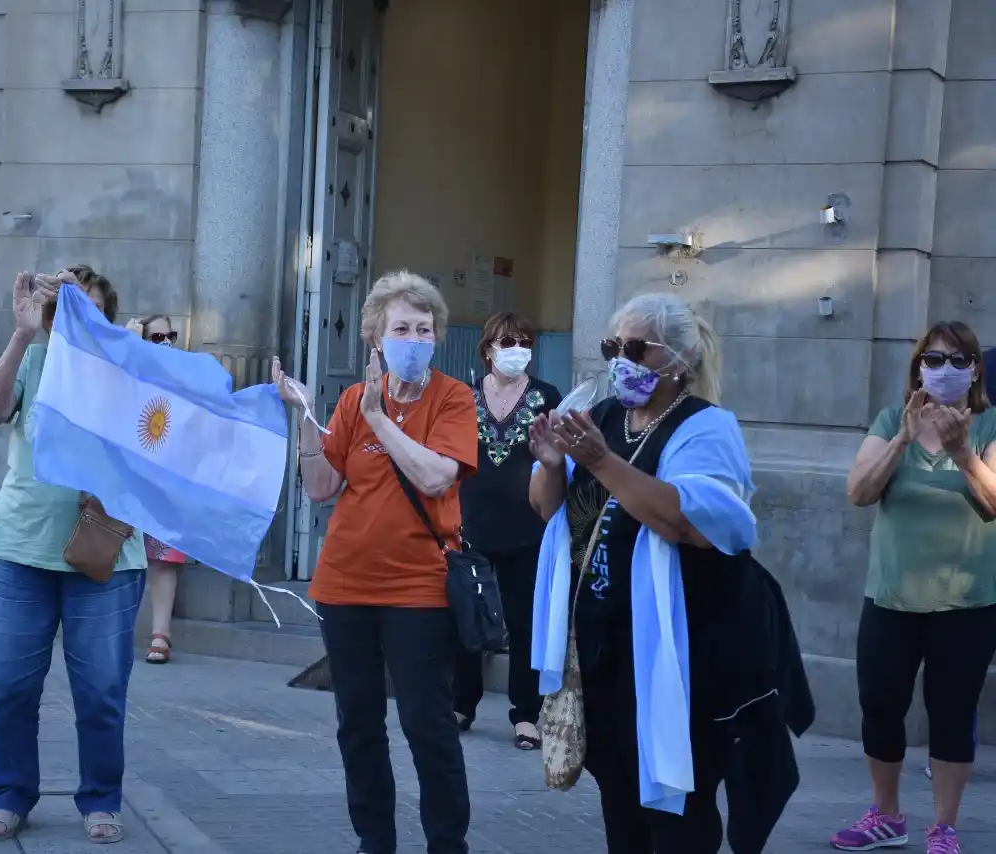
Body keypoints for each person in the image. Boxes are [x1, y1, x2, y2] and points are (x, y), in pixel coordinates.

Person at [529, 292, 809, 853]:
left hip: (677, 658)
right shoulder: (604, 415)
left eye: (635, 347)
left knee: (678, 810)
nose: (620, 360)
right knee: (620, 796)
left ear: (678, 360)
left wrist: (601, 461)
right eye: (614, 346)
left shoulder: (705, 426)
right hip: (605, 651)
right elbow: (549, 510)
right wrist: (554, 466)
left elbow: (691, 523)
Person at [272, 270, 477, 854]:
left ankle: (446, 844)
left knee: (427, 725)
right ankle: (374, 842)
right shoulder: (351, 401)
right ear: (376, 340)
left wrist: (382, 417)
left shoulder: (453, 397)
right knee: (357, 725)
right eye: (401, 328)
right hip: (345, 585)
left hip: (419, 589)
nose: (414, 337)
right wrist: (307, 417)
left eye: (424, 327)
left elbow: (438, 476)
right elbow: (319, 485)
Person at [0, 266, 146, 845]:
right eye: (63, 309)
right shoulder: (33, 358)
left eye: (87, 309)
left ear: (106, 318)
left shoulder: (130, 373)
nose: (74, 320)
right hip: (20, 548)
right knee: (6, 686)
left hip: (104, 558)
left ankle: (101, 799)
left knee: (100, 689)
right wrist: (22, 333)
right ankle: (10, 794)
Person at [833, 320, 996, 854]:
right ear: (918, 366)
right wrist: (903, 437)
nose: (943, 369)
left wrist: (963, 454)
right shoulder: (889, 420)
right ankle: (887, 815)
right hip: (891, 598)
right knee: (880, 705)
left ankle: (944, 826)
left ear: (974, 369)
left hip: (964, 603)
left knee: (951, 712)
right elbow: (858, 491)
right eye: (933, 359)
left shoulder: (990, 425)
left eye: (956, 360)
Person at [453, 311, 558, 749]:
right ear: (487, 348)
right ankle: (461, 702)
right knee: (467, 616)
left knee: (523, 621)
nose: (515, 350)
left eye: (523, 341)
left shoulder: (546, 396)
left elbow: (556, 457)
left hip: (526, 525)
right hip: (471, 521)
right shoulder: (462, 397)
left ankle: (526, 714)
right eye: (505, 341)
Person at [124, 313, 189, 665]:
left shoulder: (181, 377)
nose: (165, 342)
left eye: (171, 335)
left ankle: (161, 636)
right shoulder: (128, 373)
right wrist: (129, 347)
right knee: (123, 556)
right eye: (156, 336)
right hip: (131, 481)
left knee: (165, 561)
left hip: (167, 482)